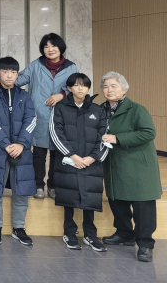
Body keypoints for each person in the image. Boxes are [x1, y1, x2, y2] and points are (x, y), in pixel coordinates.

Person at [99, 72, 162, 263]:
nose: (109, 90)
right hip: (114, 163)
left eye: (114, 86)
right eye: (105, 86)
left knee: (143, 206)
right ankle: (124, 233)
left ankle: (145, 244)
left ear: (124, 89)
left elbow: (148, 133)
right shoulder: (100, 110)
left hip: (137, 165)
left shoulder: (136, 109)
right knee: (117, 200)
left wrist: (118, 138)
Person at [11, 33, 77, 199]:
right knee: (39, 153)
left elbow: (76, 87)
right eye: (46, 46)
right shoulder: (36, 65)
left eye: (53, 46)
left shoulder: (71, 67)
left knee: (57, 153)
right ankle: (38, 185)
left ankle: (53, 186)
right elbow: (19, 80)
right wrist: (3, 79)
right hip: (39, 114)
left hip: (61, 115)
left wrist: (62, 94)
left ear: (60, 47)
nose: (50, 49)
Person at [49, 73, 108, 252]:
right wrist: (72, 156)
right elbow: (55, 133)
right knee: (69, 197)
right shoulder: (60, 108)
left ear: (88, 88)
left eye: (84, 85)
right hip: (69, 161)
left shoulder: (98, 110)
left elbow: (105, 137)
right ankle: (70, 233)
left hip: (91, 162)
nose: (80, 88)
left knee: (90, 197)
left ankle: (90, 235)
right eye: (76, 85)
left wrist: (93, 157)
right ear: (69, 88)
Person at [0, 57, 36, 247]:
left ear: (17, 74)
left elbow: (31, 119)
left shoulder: (24, 96)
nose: (9, 76)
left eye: (13, 72)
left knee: (21, 189)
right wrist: (6, 144)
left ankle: (19, 228)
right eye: (5, 72)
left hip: (21, 150)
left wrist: (21, 143)